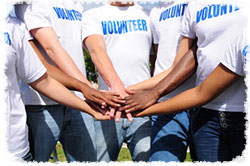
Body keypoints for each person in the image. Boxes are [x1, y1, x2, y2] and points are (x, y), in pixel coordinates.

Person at [122, 0, 248, 162]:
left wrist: (150, 96)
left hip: (238, 111)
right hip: (203, 114)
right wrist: (146, 94)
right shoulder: (194, 6)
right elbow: (187, 61)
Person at [4, 16, 111, 161]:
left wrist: (89, 104)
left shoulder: (12, 25)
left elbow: (42, 80)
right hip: (40, 107)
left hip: (16, 151)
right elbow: (51, 49)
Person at [81, 0, 153, 161]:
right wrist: (119, 89)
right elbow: (96, 50)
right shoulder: (93, 15)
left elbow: (157, 61)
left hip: (142, 107)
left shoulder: (149, 15)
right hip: (108, 107)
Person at [131, 0, 196, 161]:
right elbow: (160, 61)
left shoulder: (197, 4)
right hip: (166, 106)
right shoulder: (156, 12)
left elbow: (191, 58)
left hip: (202, 103)